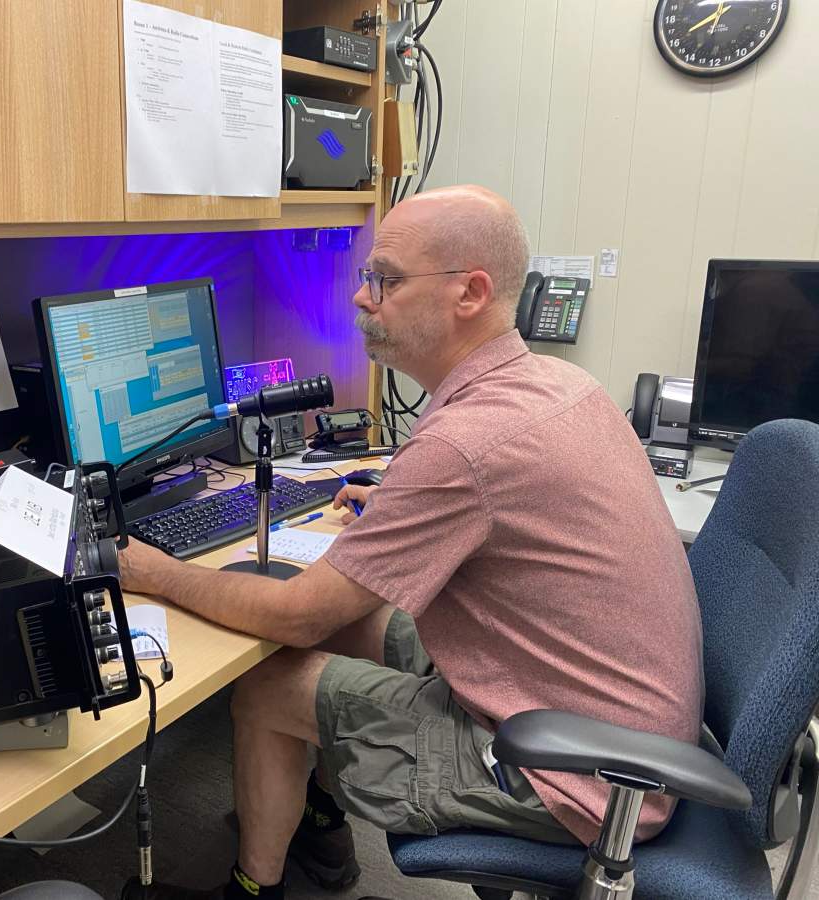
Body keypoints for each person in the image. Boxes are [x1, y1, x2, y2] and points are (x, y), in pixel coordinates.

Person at [118, 186, 702, 900]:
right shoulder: (557, 384)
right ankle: (322, 833)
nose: (363, 298)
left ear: (470, 293)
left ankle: (252, 888)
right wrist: (400, 507)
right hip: (609, 713)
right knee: (356, 621)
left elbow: (296, 615)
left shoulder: (465, 443)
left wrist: (155, 573)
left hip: (571, 774)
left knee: (268, 682)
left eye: (385, 280)